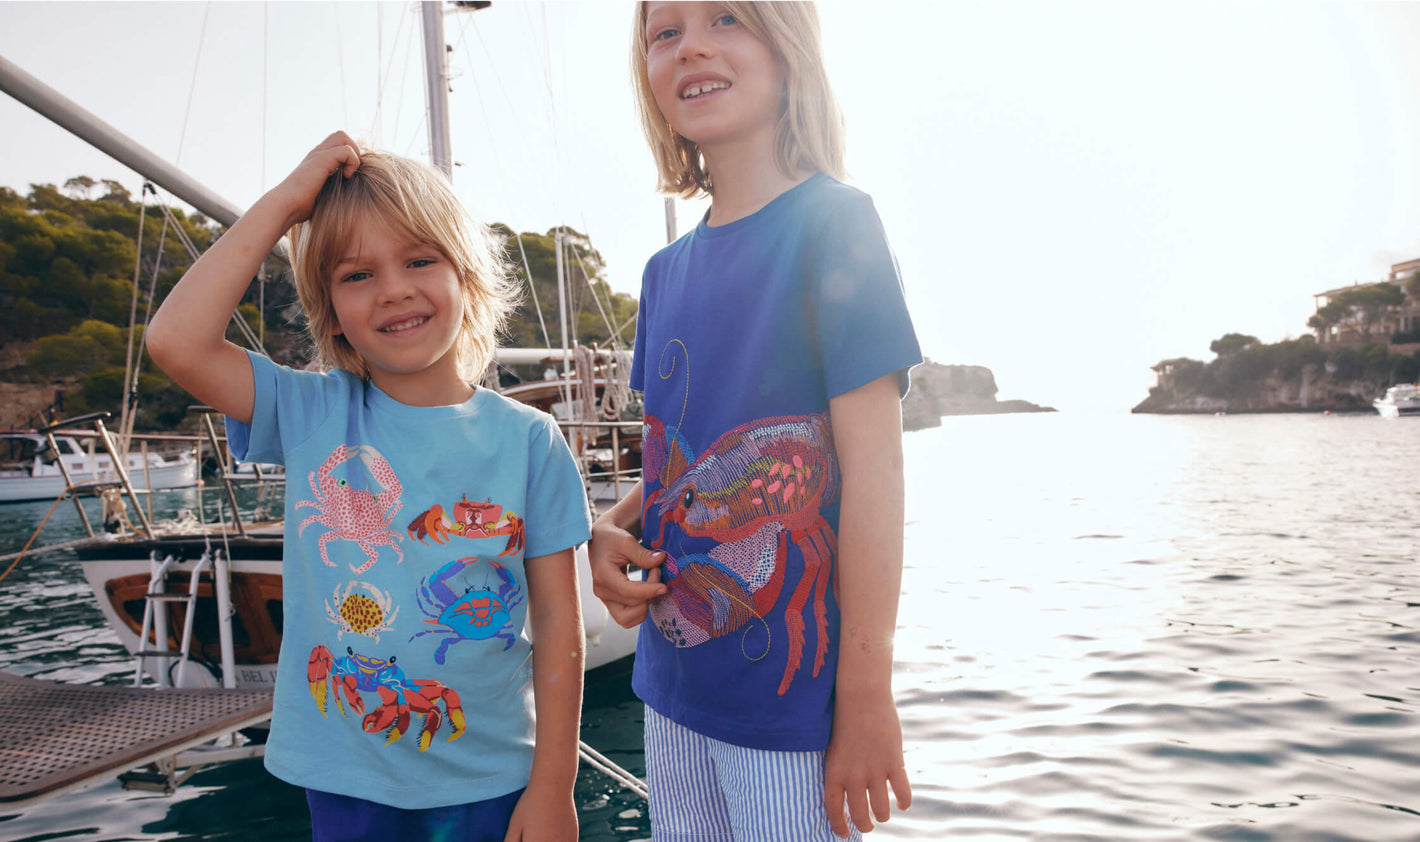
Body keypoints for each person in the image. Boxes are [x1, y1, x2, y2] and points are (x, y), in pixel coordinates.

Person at [147, 132, 589, 842]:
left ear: (467, 275)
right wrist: (288, 203)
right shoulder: (311, 412)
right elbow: (176, 341)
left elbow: (561, 631)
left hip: (493, 781)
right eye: (357, 275)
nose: (394, 290)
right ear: (330, 308)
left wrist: (553, 788)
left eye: (420, 259)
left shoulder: (530, 440)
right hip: (344, 780)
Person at [590, 3, 921, 839]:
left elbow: (876, 476)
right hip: (668, 691)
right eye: (664, 33)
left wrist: (867, 695)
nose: (691, 44)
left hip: (790, 712)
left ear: (790, 50)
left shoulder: (836, 225)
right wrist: (608, 524)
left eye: (727, 17)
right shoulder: (662, 272)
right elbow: (669, 465)